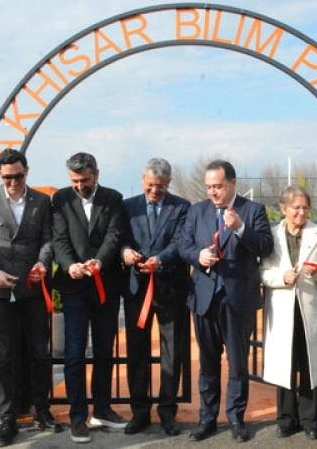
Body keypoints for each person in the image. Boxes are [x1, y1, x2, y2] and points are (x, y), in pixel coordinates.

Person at [178, 159, 273, 443]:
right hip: (204, 298)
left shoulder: (253, 210)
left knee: (238, 365)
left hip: (238, 299)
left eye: (218, 186)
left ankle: (235, 419)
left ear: (233, 183)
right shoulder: (197, 211)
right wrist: (198, 257)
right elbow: (183, 246)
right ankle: (207, 418)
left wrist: (241, 228)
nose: (213, 192)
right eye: (209, 187)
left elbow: (266, 246)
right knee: (207, 364)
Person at [0, 149, 61, 446]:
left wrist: (42, 264)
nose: (12, 182)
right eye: (7, 177)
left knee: (39, 353)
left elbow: (48, 239)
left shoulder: (41, 201)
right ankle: (7, 419)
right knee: (2, 357)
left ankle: (42, 411)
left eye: (18, 176)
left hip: (32, 288)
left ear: (27, 172)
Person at [52, 152, 126, 444]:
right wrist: (69, 265)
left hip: (105, 284)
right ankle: (77, 416)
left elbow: (114, 235)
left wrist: (100, 262)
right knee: (74, 353)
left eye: (85, 180)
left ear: (96, 174)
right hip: (74, 288)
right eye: (75, 181)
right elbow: (59, 238)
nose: (80, 186)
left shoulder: (113, 198)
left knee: (105, 351)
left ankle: (103, 409)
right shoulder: (60, 199)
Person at [260, 185, 317, 441]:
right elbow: (262, 273)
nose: (302, 213)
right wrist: (281, 277)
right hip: (282, 308)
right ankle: (286, 419)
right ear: (283, 209)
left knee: (310, 364)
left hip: (312, 308)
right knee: (284, 364)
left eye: (305, 208)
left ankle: (311, 420)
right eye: (296, 208)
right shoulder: (271, 235)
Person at [121, 158, 191, 437]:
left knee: (171, 353)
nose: (154, 191)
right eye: (150, 185)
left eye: (160, 186)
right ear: (142, 180)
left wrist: (160, 260)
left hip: (170, 288)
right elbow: (120, 237)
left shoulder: (182, 207)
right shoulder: (127, 206)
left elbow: (181, 242)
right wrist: (125, 252)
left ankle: (167, 411)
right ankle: (139, 412)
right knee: (136, 352)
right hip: (136, 289)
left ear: (168, 183)